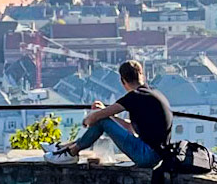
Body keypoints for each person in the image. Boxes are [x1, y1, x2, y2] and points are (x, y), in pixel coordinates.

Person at [43, 60, 171, 166]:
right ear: (142, 75)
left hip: (146, 155)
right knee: (104, 120)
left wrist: (89, 119)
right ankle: (64, 147)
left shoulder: (134, 97)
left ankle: (71, 153)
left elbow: (97, 118)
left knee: (101, 121)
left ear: (122, 81)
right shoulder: (153, 93)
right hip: (158, 154)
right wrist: (107, 114)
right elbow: (129, 127)